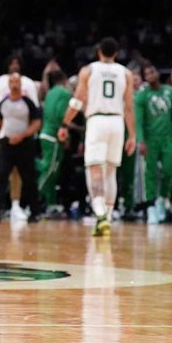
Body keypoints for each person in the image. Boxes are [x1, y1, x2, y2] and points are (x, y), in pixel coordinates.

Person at [58, 37, 136, 236]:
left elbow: (77, 100)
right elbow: (129, 107)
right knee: (110, 172)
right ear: (116, 54)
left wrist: (65, 123)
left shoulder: (89, 70)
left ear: (98, 52)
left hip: (97, 120)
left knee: (94, 170)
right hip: (117, 122)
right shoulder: (126, 73)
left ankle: (100, 213)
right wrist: (133, 135)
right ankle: (107, 218)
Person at [0, 73, 42, 223]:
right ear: (9, 84)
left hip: (25, 145)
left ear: (21, 84)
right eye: (12, 82)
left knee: (29, 178)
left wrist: (22, 136)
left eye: (17, 82)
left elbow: (36, 123)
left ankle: (35, 212)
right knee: (1, 176)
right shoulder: (3, 102)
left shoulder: (28, 102)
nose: (14, 84)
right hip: (7, 143)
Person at [135, 63, 172, 224]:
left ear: (158, 73)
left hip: (168, 138)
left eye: (152, 72)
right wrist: (141, 140)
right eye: (147, 74)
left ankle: (163, 199)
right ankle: (151, 205)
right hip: (150, 139)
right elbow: (138, 120)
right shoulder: (142, 95)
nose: (150, 75)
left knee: (169, 171)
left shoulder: (170, 92)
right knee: (150, 173)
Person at [38, 70, 71, 212]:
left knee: (51, 170)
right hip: (54, 136)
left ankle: (51, 204)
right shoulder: (65, 93)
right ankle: (34, 200)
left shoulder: (50, 93)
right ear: (64, 79)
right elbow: (60, 114)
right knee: (50, 170)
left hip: (45, 133)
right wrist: (66, 134)